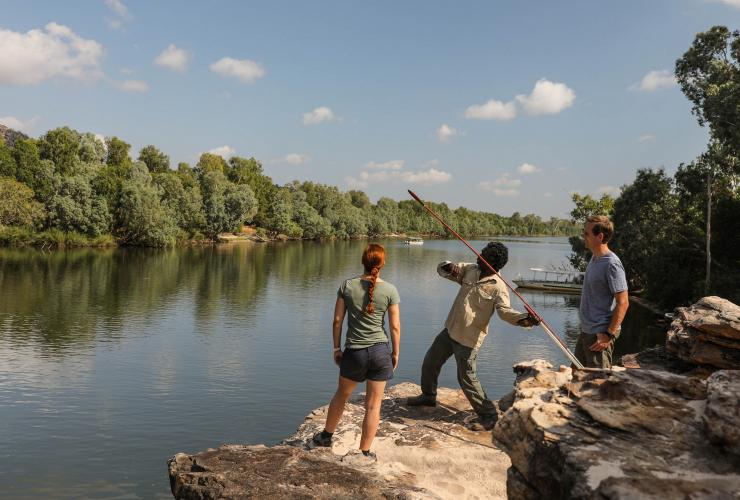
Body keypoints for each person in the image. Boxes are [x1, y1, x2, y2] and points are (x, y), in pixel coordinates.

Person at [406, 242, 538, 431]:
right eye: (481, 252)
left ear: (493, 262)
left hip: (469, 339)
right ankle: (428, 395)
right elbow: (444, 270)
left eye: (483, 255)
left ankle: (489, 416)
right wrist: (448, 266)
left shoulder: (499, 287)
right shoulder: (471, 269)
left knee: (466, 378)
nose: (478, 255)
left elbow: (505, 313)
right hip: (450, 329)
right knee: (430, 362)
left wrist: (526, 319)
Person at [312, 243, 401, 462]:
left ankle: (326, 436)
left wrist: (336, 348)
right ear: (382, 263)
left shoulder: (347, 286)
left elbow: (337, 321)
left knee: (342, 395)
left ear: (363, 260)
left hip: (355, 352)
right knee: (373, 405)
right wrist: (395, 353)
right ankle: (364, 452)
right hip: (381, 352)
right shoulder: (390, 290)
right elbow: (395, 327)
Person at [576, 215, 629, 369]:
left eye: (586, 234)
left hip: (599, 335)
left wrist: (608, 334)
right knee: (575, 378)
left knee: (596, 386)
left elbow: (623, 302)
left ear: (599, 237)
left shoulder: (611, 264)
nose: (583, 236)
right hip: (588, 332)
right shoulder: (595, 257)